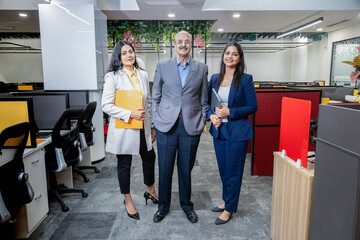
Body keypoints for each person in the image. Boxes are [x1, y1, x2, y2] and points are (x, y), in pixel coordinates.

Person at [151, 30, 208, 223]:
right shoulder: (162, 66)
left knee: (186, 169)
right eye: (179, 42)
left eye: (187, 41)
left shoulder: (201, 67)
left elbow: (204, 99)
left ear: (191, 44)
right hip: (166, 125)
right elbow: (155, 96)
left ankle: (186, 206)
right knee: (165, 168)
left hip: (190, 125)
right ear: (173, 45)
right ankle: (163, 207)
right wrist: (155, 120)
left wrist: (202, 120)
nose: (183, 45)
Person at [102, 40, 158, 220]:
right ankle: (127, 199)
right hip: (125, 127)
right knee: (124, 163)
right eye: (124, 53)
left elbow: (148, 102)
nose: (129, 55)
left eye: (131, 51)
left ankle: (150, 190)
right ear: (118, 56)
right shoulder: (113, 76)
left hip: (142, 126)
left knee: (149, 156)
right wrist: (129, 114)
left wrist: (152, 126)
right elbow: (106, 105)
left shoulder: (142, 73)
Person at [207, 41, 258, 225]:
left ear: (239, 58)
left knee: (233, 172)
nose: (230, 56)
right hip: (219, 130)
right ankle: (226, 200)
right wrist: (211, 116)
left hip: (237, 131)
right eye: (227, 53)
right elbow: (207, 104)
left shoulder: (245, 79)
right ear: (223, 56)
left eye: (234, 54)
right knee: (223, 170)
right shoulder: (215, 78)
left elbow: (253, 106)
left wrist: (230, 112)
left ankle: (230, 208)